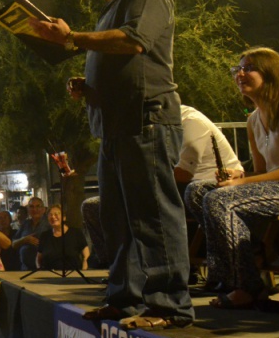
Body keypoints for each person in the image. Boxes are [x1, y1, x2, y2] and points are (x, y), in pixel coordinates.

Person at [30, 0, 194, 330]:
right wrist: (88, 88)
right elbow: (116, 60)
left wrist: (71, 38)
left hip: (146, 120)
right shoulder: (109, 11)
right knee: (117, 219)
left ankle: (170, 305)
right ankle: (125, 300)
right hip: (115, 129)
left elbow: (134, 42)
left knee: (153, 215)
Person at [185, 47, 279, 308]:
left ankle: (245, 284)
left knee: (220, 199)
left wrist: (241, 183)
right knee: (196, 190)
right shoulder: (253, 119)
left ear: (271, 73)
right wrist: (240, 174)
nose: (240, 74)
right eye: (237, 69)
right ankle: (249, 260)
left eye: (249, 68)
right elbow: (263, 172)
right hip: (273, 187)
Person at [83, 104, 243, 268]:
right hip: (168, 187)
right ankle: (118, 267)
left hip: (203, 186)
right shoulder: (146, 130)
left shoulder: (191, 122)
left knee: (141, 202)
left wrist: (139, 178)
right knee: (93, 206)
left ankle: (163, 267)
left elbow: (183, 174)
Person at [35, 205, 89, 272]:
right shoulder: (44, 235)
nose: (53, 217)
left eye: (56, 214)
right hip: (48, 277)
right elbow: (38, 258)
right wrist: (40, 272)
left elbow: (86, 256)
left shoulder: (76, 233)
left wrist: (84, 272)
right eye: (50, 215)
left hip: (73, 276)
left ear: (64, 217)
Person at [9, 198, 50, 271]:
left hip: (44, 268)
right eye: (31, 207)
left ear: (43, 209)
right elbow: (13, 244)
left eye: (38, 206)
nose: (35, 209)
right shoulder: (25, 224)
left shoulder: (49, 224)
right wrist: (24, 239)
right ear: (28, 210)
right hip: (25, 268)